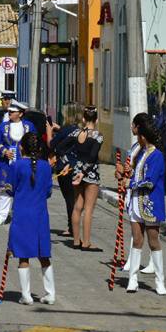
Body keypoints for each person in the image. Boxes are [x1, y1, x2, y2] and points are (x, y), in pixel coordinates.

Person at [6, 132, 55, 305]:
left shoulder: (17, 165)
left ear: (22, 147)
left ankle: (26, 295)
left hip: (21, 213)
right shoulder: (46, 166)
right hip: (40, 214)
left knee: (23, 256)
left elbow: (10, 189)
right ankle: (50, 294)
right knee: (43, 254)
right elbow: (48, 191)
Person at [123, 116, 166, 294]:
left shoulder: (157, 156)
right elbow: (135, 174)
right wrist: (125, 176)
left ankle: (160, 281)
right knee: (137, 240)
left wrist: (131, 184)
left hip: (150, 204)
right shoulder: (139, 152)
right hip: (135, 202)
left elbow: (150, 181)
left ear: (142, 135)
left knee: (154, 241)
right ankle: (132, 279)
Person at [118, 113, 157, 275]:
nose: (131, 127)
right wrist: (122, 171)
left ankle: (153, 262)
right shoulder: (135, 147)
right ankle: (133, 261)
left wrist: (130, 175)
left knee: (149, 231)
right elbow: (132, 167)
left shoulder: (150, 150)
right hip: (132, 191)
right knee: (136, 228)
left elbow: (144, 172)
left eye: (133, 125)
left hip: (144, 195)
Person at [0, 101, 36, 226]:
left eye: (12, 112)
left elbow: (34, 141)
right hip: (7, 164)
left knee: (23, 189)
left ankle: (20, 215)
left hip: (25, 163)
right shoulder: (3, 126)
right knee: (5, 189)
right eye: (9, 111)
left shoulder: (29, 126)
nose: (10, 113)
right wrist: (4, 151)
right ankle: (2, 215)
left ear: (21, 114)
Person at [65, 106, 103, 250]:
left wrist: (68, 162)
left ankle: (76, 241)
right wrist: (85, 171)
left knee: (77, 206)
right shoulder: (98, 136)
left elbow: (61, 147)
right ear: (97, 120)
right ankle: (86, 242)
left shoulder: (76, 133)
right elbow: (93, 156)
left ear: (83, 119)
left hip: (77, 169)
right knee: (88, 209)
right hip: (91, 172)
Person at [48, 115, 79, 238]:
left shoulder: (65, 130)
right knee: (76, 199)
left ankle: (71, 227)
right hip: (78, 166)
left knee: (69, 199)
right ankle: (74, 227)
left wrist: (49, 130)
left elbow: (51, 144)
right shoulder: (80, 130)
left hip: (64, 166)